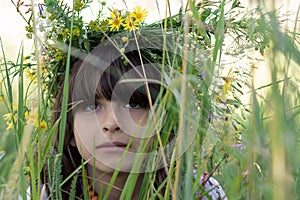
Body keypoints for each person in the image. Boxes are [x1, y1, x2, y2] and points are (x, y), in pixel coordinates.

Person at [39, 36, 227, 200]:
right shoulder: (47, 194)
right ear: (70, 129)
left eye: (133, 105)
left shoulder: (200, 192)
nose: (111, 123)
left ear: (161, 122)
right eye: (92, 106)